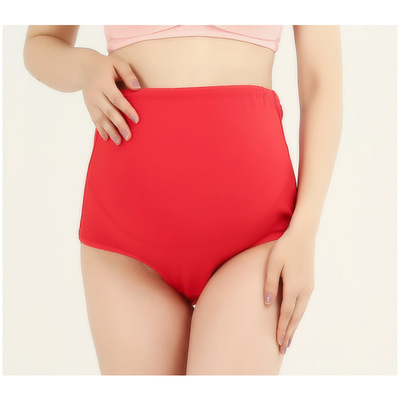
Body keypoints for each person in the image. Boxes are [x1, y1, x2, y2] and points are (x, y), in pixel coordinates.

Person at [23, 25, 342, 375]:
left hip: (257, 239)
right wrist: (85, 66)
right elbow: (40, 45)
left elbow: (321, 83)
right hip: (125, 243)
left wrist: (305, 232)